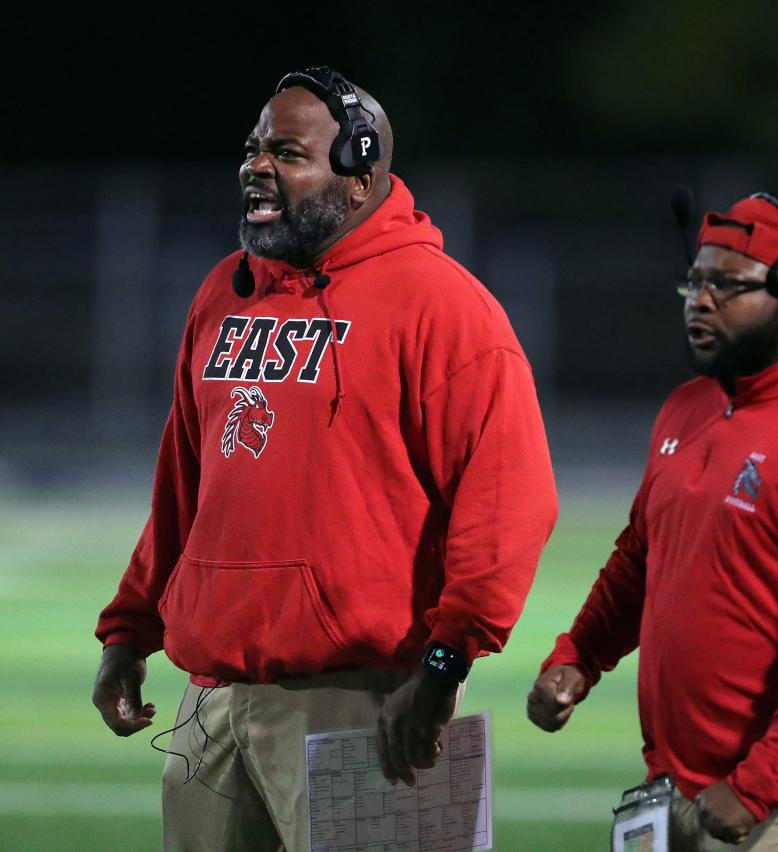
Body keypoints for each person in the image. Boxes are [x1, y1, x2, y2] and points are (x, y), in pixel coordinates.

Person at [93, 66, 558, 851]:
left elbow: (509, 502)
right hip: (210, 702)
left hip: (366, 698)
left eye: (287, 152)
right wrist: (128, 632)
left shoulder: (442, 305)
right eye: (252, 149)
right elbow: (184, 487)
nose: (256, 168)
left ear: (360, 174)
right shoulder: (224, 294)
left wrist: (444, 666)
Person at [527, 193, 778, 851]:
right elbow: (641, 557)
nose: (698, 300)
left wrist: (763, 783)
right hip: (688, 791)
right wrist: (580, 656)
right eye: (695, 280)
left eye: (726, 285)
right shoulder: (689, 407)